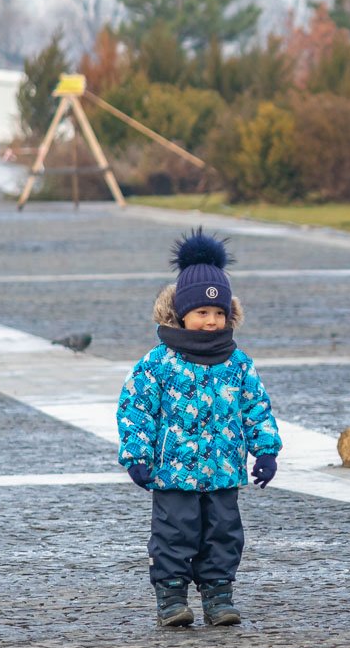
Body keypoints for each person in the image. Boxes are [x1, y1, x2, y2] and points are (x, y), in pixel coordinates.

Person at [117, 229, 282, 627]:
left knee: (224, 534)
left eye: (219, 314)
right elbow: (136, 409)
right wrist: (136, 455)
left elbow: (255, 406)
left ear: (230, 315)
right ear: (181, 314)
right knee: (174, 535)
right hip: (172, 472)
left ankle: (218, 595)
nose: (211, 321)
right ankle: (171, 598)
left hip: (224, 470)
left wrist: (266, 450)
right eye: (202, 313)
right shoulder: (159, 362)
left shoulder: (237, 362)